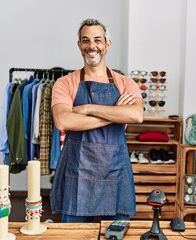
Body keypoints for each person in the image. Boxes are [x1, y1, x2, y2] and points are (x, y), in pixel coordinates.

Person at [49, 18, 144, 222]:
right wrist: (115, 114)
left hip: (116, 172)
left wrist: (89, 109)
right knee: (75, 237)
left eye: (97, 40)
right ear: (79, 45)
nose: (92, 46)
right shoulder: (64, 83)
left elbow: (136, 115)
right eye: (86, 40)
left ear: (107, 44)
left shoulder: (126, 83)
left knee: (116, 234)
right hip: (78, 173)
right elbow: (63, 121)